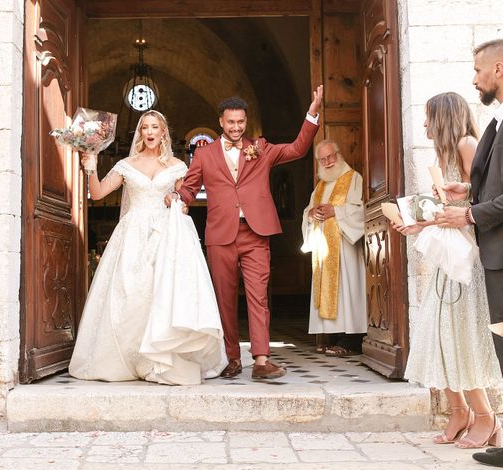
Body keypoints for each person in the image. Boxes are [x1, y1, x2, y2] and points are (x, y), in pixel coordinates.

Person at [165, 87, 323, 379]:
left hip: (255, 233)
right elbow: (189, 187)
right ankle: (231, 359)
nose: (236, 127)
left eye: (240, 122)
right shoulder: (204, 154)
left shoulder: (261, 148)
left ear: (245, 121)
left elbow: (298, 149)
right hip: (220, 235)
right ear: (221, 122)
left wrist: (312, 113)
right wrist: (176, 198)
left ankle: (261, 361)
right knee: (224, 299)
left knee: (258, 296)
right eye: (231, 122)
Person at [69, 110, 227, 385]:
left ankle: (159, 355)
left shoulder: (177, 166)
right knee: (131, 294)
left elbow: (186, 200)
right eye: (145, 127)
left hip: (166, 235)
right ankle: (129, 357)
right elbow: (97, 193)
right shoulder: (126, 165)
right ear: (140, 133)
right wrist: (91, 166)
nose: (150, 132)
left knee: (161, 293)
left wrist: (177, 200)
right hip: (132, 235)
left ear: (164, 132)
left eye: (155, 127)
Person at [392, 92, 502, 449]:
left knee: (461, 337)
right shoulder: (444, 153)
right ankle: (458, 412)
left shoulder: (468, 145)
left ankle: (485, 416)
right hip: (448, 260)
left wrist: (445, 211)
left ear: (443, 116)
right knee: (441, 336)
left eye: (427, 117)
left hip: (466, 261)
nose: (423, 124)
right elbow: (449, 207)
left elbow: (480, 202)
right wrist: (417, 223)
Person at [301, 140, 366, 357]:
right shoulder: (320, 186)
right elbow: (308, 211)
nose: (327, 162)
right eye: (323, 159)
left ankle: (351, 339)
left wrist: (335, 212)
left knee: (347, 291)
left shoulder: (353, 178)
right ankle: (330, 336)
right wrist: (311, 215)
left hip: (345, 248)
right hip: (324, 248)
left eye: (331, 157)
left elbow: (361, 210)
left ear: (339, 155)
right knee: (329, 292)